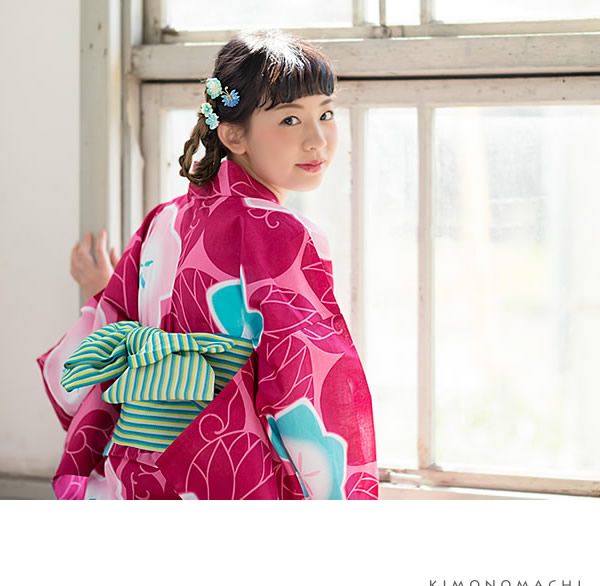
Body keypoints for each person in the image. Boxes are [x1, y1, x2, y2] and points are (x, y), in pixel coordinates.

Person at [36, 29, 378, 500]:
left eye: (325, 113)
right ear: (233, 133)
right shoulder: (283, 235)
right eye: (289, 119)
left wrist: (104, 290)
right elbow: (305, 386)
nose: (317, 139)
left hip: (136, 474)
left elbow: (106, 332)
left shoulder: (165, 220)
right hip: (231, 470)